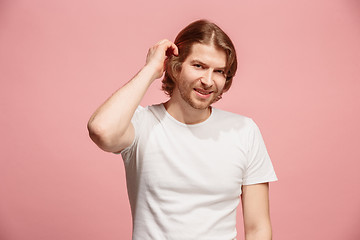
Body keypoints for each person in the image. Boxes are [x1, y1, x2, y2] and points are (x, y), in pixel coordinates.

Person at [88, 19, 277, 240]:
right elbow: (101, 130)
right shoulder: (141, 124)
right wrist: (151, 69)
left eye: (219, 71)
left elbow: (258, 228)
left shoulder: (244, 131)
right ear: (176, 68)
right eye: (199, 66)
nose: (208, 80)